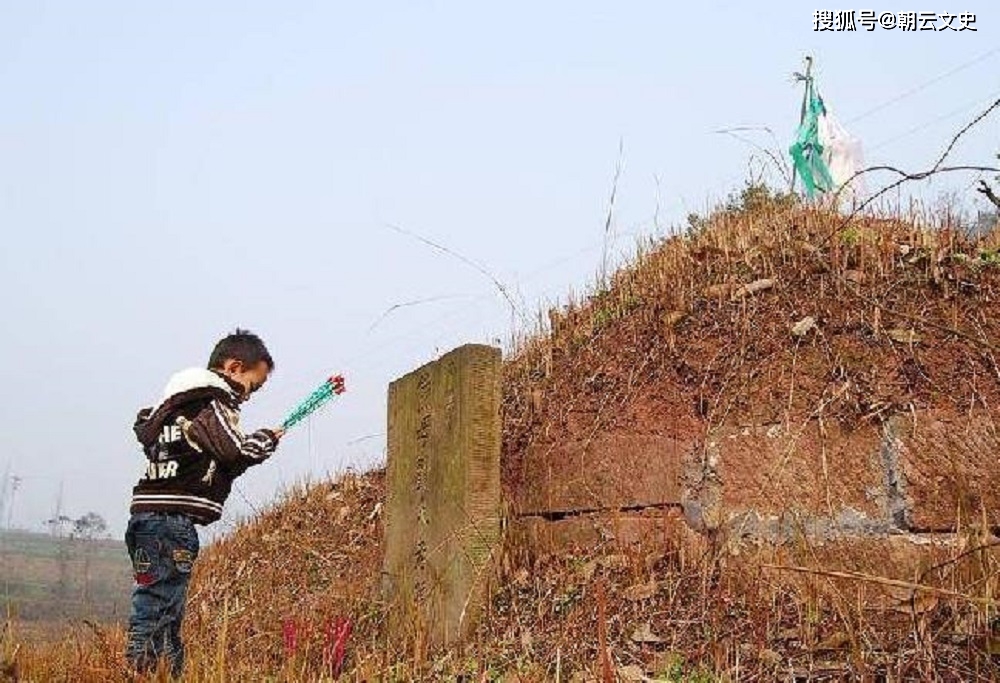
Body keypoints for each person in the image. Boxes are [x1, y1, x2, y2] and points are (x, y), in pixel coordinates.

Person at [124, 329, 285, 677]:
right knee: (159, 606)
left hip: (146, 520)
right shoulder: (210, 402)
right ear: (233, 367)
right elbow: (236, 450)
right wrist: (265, 440)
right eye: (250, 386)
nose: (247, 398)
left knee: (159, 601)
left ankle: (166, 671)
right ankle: (143, 670)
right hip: (172, 523)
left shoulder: (172, 408)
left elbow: (216, 461)